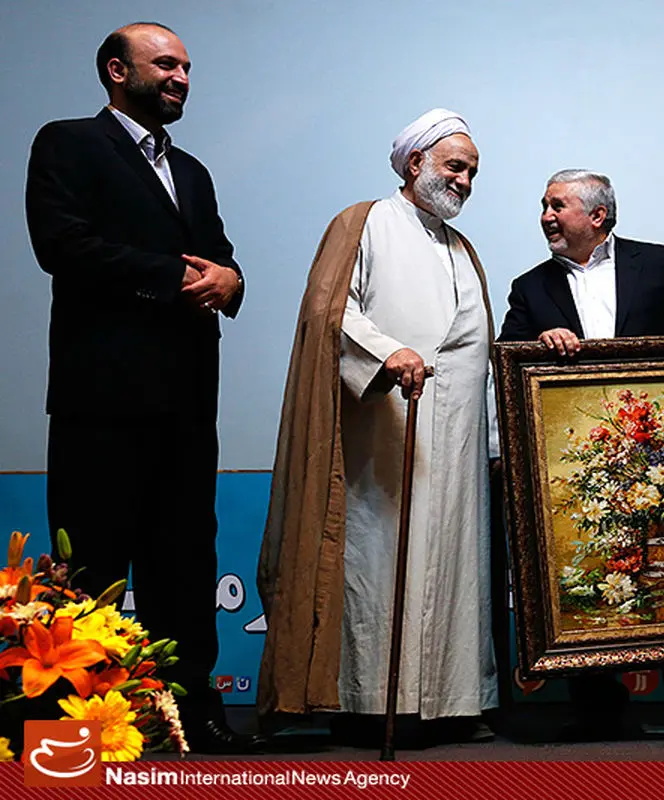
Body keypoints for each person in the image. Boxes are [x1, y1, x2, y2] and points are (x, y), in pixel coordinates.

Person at [24, 22, 257, 754]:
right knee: (90, 566)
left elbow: (219, 259)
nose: (181, 77)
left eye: (187, 66)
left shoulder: (192, 170)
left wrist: (233, 282)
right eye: (166, 64)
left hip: (186, 404)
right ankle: (73, 735)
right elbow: (61, 246)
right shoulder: (67, 142)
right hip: (101, 400)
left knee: (185, 563)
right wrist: (173, 277)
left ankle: (194, 717)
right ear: (116, 71)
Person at [257, 109, 498, 746]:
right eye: (455, 166)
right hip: (384, 435)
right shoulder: (363, 222)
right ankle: (369, 703)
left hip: (457, 445)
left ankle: (450, 701)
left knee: (453, 562)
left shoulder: (461, 248)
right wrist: (386, 354)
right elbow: (329, 310)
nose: (465, 181)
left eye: (473, 172)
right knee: (379, 561)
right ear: (415, 163)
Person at [498, 170, 664, 740]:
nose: (546, 217)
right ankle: (597, 712)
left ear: (597, 216)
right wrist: (538, 343)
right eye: (544, 206)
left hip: (661, 454)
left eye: (557, 206)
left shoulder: (657, 262)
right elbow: (505, 355)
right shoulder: (530, 287)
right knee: (597, 575)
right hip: (581, 459)